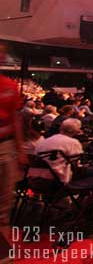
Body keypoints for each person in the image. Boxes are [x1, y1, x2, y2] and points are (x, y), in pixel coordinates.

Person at [0, 42, 26, 252]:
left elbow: (16, 118)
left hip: (5, 147)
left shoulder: (9, 85)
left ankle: (4, 251)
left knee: (5, 203)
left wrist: (20, 150)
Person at [33, 118, 84, 184]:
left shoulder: (45, 140)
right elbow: (76, 162)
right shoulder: (73, 142)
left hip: (35, 175)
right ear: (77, 131)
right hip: (58, 177)